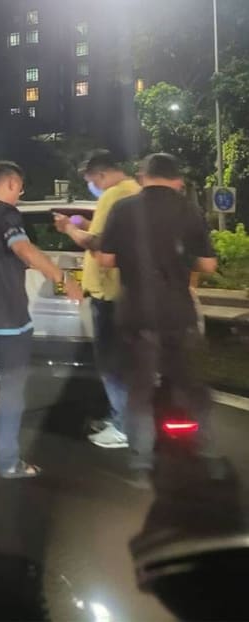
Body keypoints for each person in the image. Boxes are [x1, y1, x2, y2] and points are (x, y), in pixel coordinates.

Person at [0, 161, 82, 478]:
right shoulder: (5, 214)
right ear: (12, 183)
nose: (19, 197)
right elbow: (23, 250)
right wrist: (62, 278)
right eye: (20, 190)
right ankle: (8, 461)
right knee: (12, 391)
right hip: (10, 322)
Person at [98, 153, 219, 478]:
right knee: (191, 384)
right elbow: (208, 264)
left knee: (140, 388)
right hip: (178, 313)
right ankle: (203, 448)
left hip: (136, 314)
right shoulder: (188, 209)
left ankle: (141, 462)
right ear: (175, 178)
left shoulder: (123, 209)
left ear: (143, 177)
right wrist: (182, 260)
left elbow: (106, 260)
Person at [53, 150, 141, 449]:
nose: (92, 185)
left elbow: (97, 244)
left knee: (112, 365)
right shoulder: (135, 192)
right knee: (124, 362)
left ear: (100, 175)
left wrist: (69, 228)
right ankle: (121, 417)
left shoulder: (112, 196)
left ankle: (123, 427)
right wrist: (83, 221)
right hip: (127, 293)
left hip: (108, 294)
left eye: (91, 180)